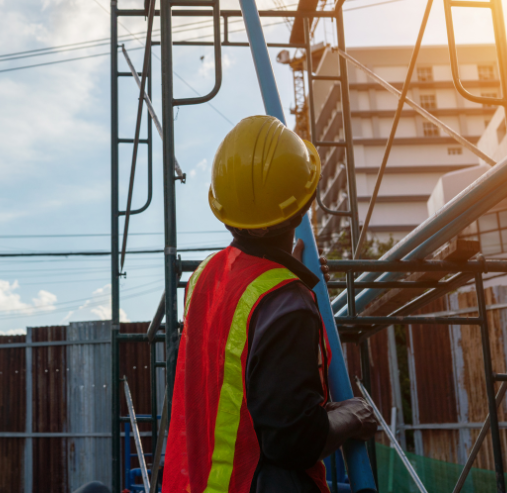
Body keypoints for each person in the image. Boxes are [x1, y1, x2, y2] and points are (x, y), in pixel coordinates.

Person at [162, 115, 378, 493]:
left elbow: (241, 377)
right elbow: (292, 440)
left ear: (225, 211)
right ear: (302, 206)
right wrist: (352, 417)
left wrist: (290, 270)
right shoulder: (287, 304)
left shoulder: (204, 277)